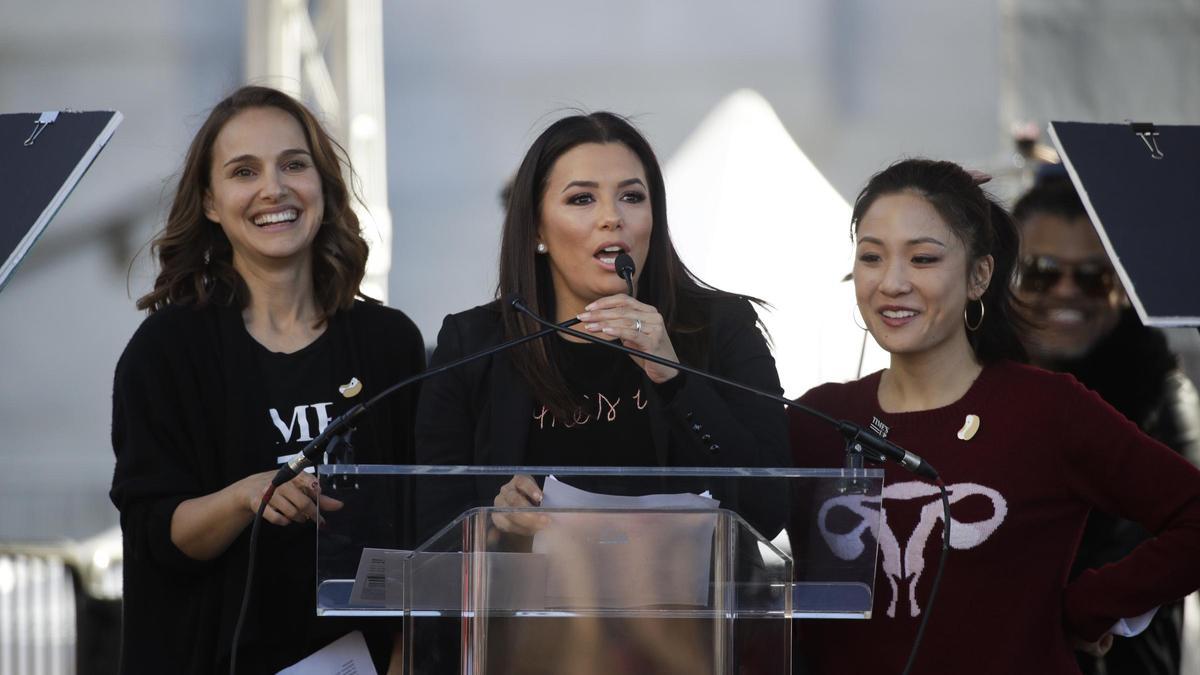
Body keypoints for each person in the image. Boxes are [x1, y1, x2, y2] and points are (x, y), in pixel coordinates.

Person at [787, 159, 1200, 674]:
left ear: (980, 274)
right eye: (872, 257)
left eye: (922, 258)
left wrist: (1088, 607)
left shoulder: (1045, 409)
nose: (891, 282)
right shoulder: (818, 417)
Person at [414, 111, 789, 672]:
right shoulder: (476, 344)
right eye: (582, 199)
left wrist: (674, 375)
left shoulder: (717, 330)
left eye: (632, 197)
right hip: (527, 654)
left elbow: (769, 505)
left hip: (686, 650)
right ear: (537, 229)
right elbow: (428, 536)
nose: (612, 219)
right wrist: (492, 520)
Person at [109, 86, 424, 674]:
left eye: (293, 164)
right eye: (243, 171)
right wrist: (246, 496)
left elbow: (423, 529)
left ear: (323, 187)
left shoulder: (390, 342)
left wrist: (407, 658)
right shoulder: (166, 352)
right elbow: (155, 533)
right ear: (209, 201)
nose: (273, 189)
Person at [1012, 175, 1200, 675]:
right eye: (1042, 272)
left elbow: (1167, 546)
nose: (1068, 293)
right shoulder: (974, 381)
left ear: (1123, 284)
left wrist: (1083, 606)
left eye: (1094, 276)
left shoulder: (1161, 393)